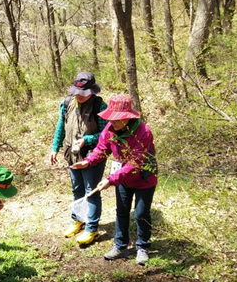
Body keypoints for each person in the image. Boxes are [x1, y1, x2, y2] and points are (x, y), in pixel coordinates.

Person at [71, 94, 158, 265]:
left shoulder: (143, 132)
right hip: (122, 180)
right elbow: (101, 149)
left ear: (127, 117)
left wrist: (110, 179)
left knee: (141, 214)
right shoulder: (109, 130)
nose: (114, 122)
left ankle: (142, 247)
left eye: (117, 119)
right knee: (122, 211)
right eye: (111, 118)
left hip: (144, 178)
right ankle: (120, 245)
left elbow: (135, 163)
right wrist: (88, 162)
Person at [49, 72, 108, 245]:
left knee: (91, 191)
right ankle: (78, 220)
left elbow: (106, 135)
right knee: (77, 189)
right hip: (71, 154)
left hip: (92, 156)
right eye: (77, 92)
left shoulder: (100, 106)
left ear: (92, 92)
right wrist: (55, 147)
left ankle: (92, 228)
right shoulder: (67, 102)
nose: (79, 96)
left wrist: (87, 140)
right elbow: (61, 124)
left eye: (83, 94)